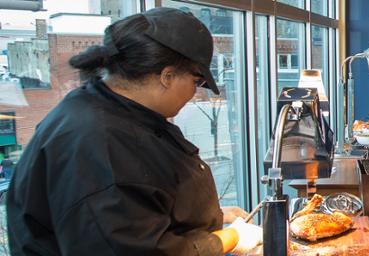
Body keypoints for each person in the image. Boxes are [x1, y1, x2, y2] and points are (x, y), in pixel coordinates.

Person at [5, 8, 262, 255]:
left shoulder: (109, 107)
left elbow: (143, 201)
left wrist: (211, 216)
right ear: (167, 76)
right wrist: (229, 238)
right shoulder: (99, 145)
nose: (196, 92)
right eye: (197, 82)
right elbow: (138, 248)